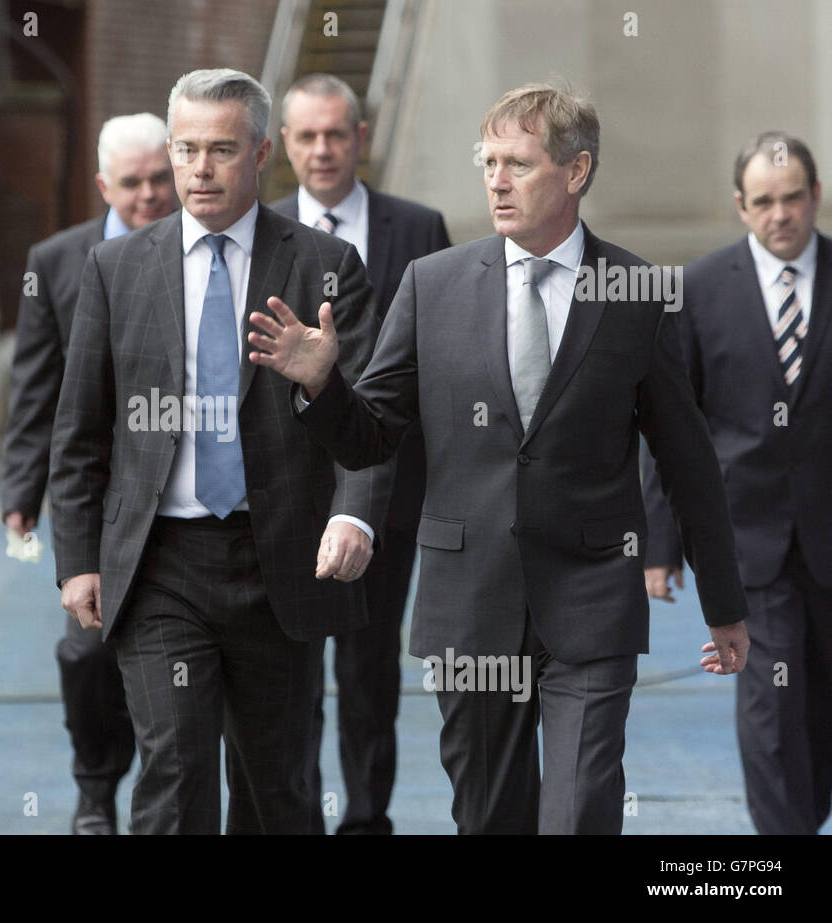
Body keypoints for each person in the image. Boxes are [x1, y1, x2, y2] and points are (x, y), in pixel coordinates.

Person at [248, 82, 750, 834]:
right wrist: (322, 384)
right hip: (470, 602)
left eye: (518, 163)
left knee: (580, 809)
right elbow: (373, 434)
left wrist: (725, 604)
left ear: (576, 172)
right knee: (488, 818)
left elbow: (686, 460)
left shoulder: (638, 292)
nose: (496, 181)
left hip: (592, 601)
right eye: (489, 163)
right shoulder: (433, 284)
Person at [48, 68, 389, 834]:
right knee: (176, 771)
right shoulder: (116, 269)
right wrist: (76, 557)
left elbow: (375, 427)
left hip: (282, 560)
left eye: (222, 150)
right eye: (187, 149)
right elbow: (80, 430)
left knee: (278, 790)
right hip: (161, 562)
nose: (199, 169)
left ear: (262, 153)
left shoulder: (324, 268)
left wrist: (351, 512)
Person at [270, 72, 450, 834]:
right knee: (292, 673)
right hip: (287, 490)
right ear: (284, 144)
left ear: (361, 137)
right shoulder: (263, 231)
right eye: (306, 136)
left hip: (387, 490)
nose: (322, 150)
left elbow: (438, 364)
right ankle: (301, 815)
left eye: (335, 134)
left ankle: (367, 820)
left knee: (371, 669)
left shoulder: (418, 229)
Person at [641, 131, 832, 835]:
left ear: (815, 196)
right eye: (763, 202)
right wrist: (658, 543)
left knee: (817, 710)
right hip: (747, 542)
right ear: (740, 207)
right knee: (772, 710)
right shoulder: (695, 290)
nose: (779, 214)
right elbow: (669, 423)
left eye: (791, 198)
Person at [1, 112, 177, 834]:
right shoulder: (57, 261)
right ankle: (97, 788)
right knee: (86, 651)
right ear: (104, 185)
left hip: (189, 491)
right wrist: (21, 488)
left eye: (160, 178)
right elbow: (36, 386)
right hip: (99, 497)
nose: (148, 195)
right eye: (131, 183)